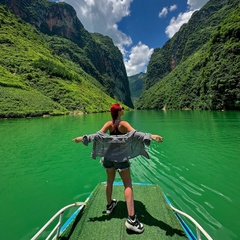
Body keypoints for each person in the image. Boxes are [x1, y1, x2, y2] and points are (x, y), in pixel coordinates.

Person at [73, 103, 163, 233]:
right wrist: (151, 136)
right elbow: (136, 134)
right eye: (121, 108)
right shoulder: (124, 124)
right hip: (121, 158)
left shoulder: (108, 124)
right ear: (118, 112)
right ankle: (132, 219)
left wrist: (82, 138)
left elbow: (97, 136)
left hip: (108, 158)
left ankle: (109, 205)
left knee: (109, 181)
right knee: (128, 185)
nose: (123, 109)